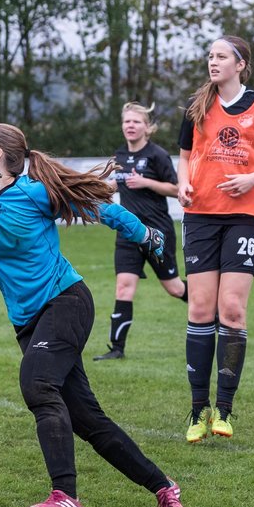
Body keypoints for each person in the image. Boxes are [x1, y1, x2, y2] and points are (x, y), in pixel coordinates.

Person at [0, 122, 185, 507]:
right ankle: (163, 487)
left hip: (65, 301)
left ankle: (65, 494)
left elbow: (101, 208)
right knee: (87, 420)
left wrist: (146, 235)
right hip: (28, 322)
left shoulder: (33, 192)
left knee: (37, 384)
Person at [176, 36, 254, 443]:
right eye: (210, 55)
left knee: (231, 309)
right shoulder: (198, 105)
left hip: (245, 216)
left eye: (221, 56)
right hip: (200, 217)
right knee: (199, 307)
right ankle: (197, 410)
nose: (213, 62)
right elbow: (183, 153)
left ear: (240, 64)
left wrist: (252, 178)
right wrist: (181, 184)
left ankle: (224, 409)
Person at [93, 101, 188, 362]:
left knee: (175, 288)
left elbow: (175, 188)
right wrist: (99, 189)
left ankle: (211, 316)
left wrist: (145, 181)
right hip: (127, 232)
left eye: (136, 122)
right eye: (127, 122)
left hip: (157, 232)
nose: (130, 126)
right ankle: (116, 348)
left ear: (147, 127)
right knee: (123, 287)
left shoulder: (157, 155)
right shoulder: (119, 156)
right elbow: (117, 185)